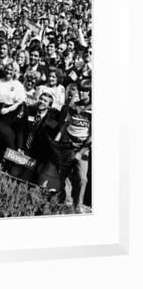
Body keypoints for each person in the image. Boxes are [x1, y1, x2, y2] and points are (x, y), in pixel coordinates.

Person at [52, 79, 92, 213]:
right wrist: (57, 139)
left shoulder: (92, 108)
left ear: (90, 91)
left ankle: (78, 205)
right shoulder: (73, 105)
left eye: (85, 90)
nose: (82, 92)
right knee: (64, 175)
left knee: (82, 178)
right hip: (68, 144)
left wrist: (81, 151)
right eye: (80, 89)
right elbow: (66, 124)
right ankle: (65, 202)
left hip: (83, 146)